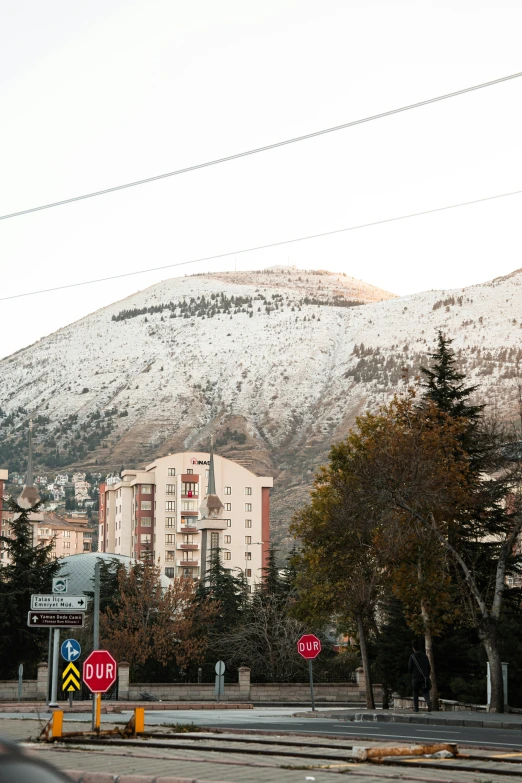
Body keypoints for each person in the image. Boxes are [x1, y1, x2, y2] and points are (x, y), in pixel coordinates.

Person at [408, 641, 432, 712]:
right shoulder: (425, 656)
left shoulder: (412, 656)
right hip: (424, 677)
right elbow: (428, 667)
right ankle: (428, 701)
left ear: (413, 648)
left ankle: (416, 708)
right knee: (425, 691)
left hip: (415, 678)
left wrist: (412, 674)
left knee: (415, 692)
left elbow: (410, 667)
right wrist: (427, 675)